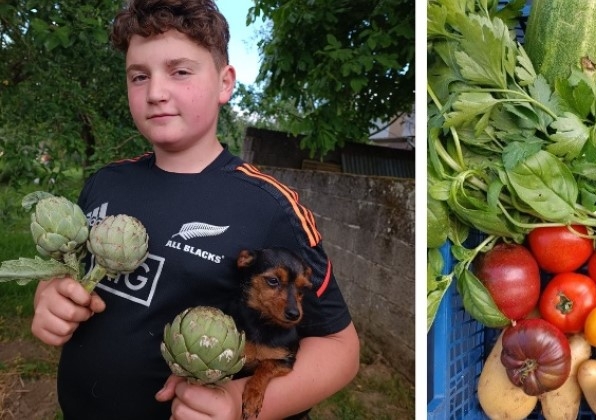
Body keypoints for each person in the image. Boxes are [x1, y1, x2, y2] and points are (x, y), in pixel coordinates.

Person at [29, 0, 360, 418]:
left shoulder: (271, 207)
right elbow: (67, 279)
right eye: (138, 76)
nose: (156, 92)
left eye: (180, 71)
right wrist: (49, 298)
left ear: (225, 84)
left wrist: (238, 405)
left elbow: (339, 348)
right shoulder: (105, 182)